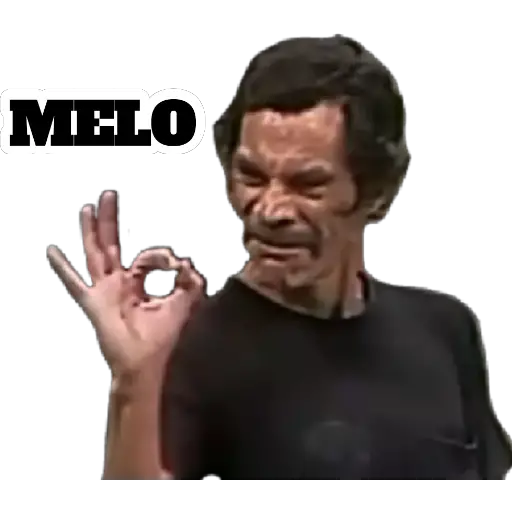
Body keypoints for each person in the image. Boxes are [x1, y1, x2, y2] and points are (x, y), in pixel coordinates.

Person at [48, 34, 511, 480]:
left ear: (377, 193)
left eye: (308, 184)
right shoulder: (189, 352)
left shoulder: (446, 331)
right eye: (251, 176)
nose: (269, 210)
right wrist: (135, 384)